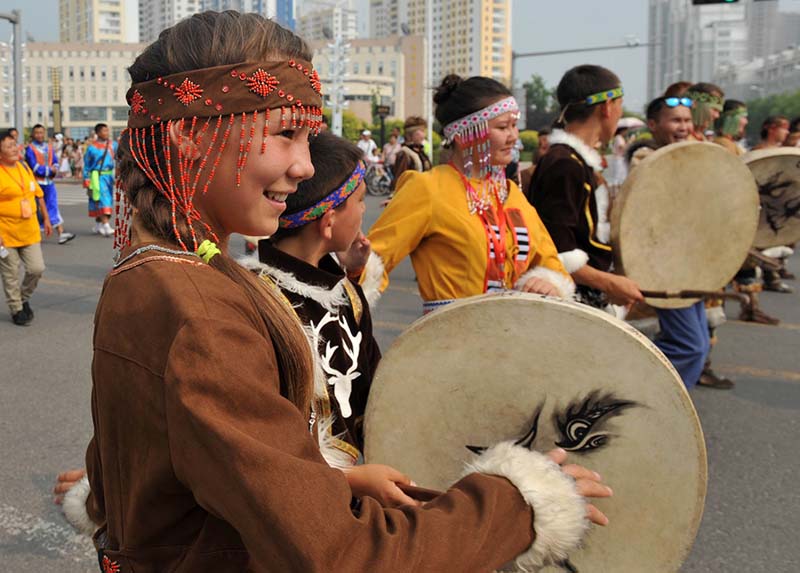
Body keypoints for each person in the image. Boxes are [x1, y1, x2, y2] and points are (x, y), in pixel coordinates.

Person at [53, 12, 608, 572]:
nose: (303, 167)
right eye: (285, 134)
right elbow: (342, 554)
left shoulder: (150, 275)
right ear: (191, 137)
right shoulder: (198, 306)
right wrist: (520, 502)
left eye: (308, 138)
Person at [356, 75, 575, 314]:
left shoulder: (512, 194)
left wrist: (549, 282)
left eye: (514, 126)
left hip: (512, 339)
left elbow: (551, 263)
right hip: (451, 340)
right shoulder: (427, 188)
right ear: (464, 134)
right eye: (502, 127)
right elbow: (374, 258)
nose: (514, 136)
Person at [248, 132, 391, 480]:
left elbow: (376, 395)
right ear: (328, 223)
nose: (363, 211)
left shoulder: (350, 297)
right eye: (360, 201)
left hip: (356, 481)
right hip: (297, 489)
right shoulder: (255, 302)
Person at [527, 65, 643, 312]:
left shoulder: (575, 162)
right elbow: (557, 249)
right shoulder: (564, 164)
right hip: (570, 301)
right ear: (607, 107)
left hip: (585, 296)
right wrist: (610, 283)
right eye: (620, 105)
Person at [638, 96, 712, 390]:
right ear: (654, 125)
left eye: (686, 120)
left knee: (700, 343)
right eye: (675, 120)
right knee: (688, 346)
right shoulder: (644, 160)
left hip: (691, 263)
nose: (683, 127)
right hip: (664, 266)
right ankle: (647, 402)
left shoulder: (689, 157)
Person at [0, 131, 52, 326]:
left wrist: (46, 218)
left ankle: (23, 297)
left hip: (29, 229)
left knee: (36, 268)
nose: (14, 149)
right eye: (8, 147)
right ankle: (16, 309)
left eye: (15, 145)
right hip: (6, 233)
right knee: (10, 273)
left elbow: (38, 195)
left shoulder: (24, 168)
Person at [24, 124, 76, 245]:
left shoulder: (49, 147)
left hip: (49, 183)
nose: (39, 135)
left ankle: (61, 232)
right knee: (36, 210)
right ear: (33, 134)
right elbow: (34, 166)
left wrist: (55, 169)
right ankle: (33, 235)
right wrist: (49, 170)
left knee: (52, 206)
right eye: (37, 133)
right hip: (36, 183)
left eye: (41, 132)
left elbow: (55, 162)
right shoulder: (30, 149)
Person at [83, 123, 117, 237]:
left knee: (101, 200)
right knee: (103, 199)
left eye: (107, 131)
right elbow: (87, 165)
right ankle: (106, 225)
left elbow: (120, 157)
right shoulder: (91, 148)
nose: (107, 133)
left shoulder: (113, 145)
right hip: (97, 177)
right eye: (104, 131)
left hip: (109, 177)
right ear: (97, 133)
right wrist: (87, 179)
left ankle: (98, 224)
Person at [392, 115, 432, 181]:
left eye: (424, 131)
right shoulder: (404, 153)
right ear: (409, 134)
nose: (424, 135)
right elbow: (400, 180)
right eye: (421, 131)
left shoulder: (420, 152)